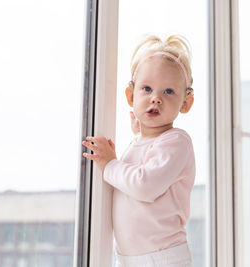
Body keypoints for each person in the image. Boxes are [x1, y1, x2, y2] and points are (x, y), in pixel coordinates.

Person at [82, 34, 196, 267]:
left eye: (168, 92)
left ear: (186, 103)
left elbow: (145, 185)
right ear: (130, 96)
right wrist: (139, 134)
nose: (156, 99)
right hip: (129, 259)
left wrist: (109, 163)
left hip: (163, 259)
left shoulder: (177, 142)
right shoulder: (140, 143)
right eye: (147, 89)